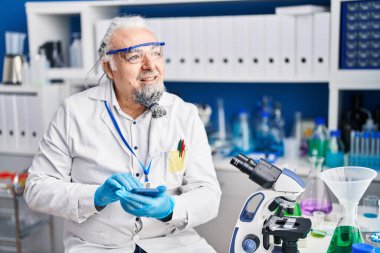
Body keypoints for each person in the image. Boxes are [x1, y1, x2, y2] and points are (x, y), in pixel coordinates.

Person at [24, 15, 221, 253]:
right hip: (98, 245)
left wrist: (169, 208)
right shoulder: (74, 112)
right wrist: (96, 196)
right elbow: (36, 188)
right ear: (109, 67)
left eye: (156, 53)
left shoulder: (184, 114)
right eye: (135, 57)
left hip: (171, 243)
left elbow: (209, 195)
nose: (150, 65)